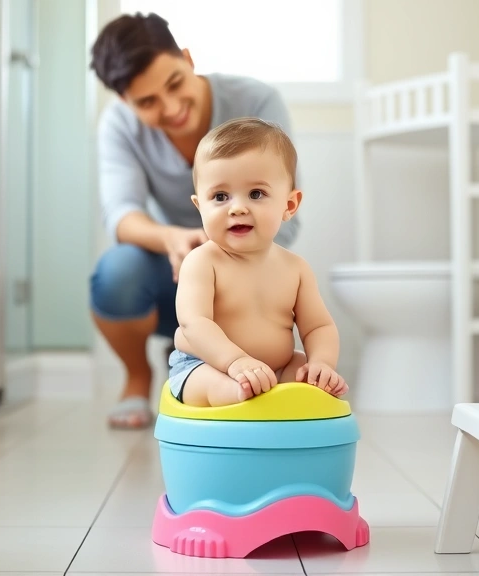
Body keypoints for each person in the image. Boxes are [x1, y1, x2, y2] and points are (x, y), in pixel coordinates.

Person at [89, 12, 300, 427]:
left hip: (245, 283)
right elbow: (121, 214)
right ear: (124, 102)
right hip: (174, 271)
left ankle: (196, 354)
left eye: (174, 84)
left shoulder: (256, 102)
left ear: (187, 58)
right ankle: (139, 376)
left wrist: (227, 254)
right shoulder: (119, 126)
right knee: (117, 273)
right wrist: (172, 239)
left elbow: (286, 220)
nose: (171, 108)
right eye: (147, 103)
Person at [169, 117, 348, 406]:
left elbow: (318, 327)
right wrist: (235, 362)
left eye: (256, 194)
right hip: (207, 365)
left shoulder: (295, 269)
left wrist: (322, 364)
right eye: (220, 196)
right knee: (214, 386)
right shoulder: (202, 262)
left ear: (289, 206)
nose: (237, 208)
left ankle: (281, 404)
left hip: (276, 369)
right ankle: (242, 398)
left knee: (307, 380)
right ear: (199, 206)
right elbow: (194, 322)